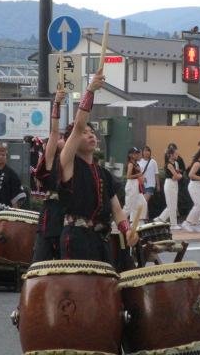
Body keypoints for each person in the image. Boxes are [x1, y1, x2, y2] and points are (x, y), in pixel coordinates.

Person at [58, 70, 138, 262]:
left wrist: (127, 231)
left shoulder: (103, 174)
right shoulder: (68, 163)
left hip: (100, 239)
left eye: (92, 132)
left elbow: (117, 210)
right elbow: (77, 126)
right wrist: (90, 91)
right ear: (74, 141)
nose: (91, 135)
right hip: (75, 238)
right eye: (85, 133)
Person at [31, 88, 66, 262]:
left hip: (69, 219)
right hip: (51, 215)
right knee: (40, 264)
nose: (61, 139)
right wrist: (57, 103)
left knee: (66, 268)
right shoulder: (51, 161)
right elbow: (53, 133)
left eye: (65, 137)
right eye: (61, 137)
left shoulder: (79, 164)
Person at [181, 147, 200, 233]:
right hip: (194, 186)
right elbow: (191, 175)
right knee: (198, 205)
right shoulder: (197, 163)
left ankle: (195, 223)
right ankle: (187, 222)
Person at [155, 146, 182, 229]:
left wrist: (178, 175)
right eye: (175, 154)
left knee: (172, 204)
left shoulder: (175, 164)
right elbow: (176, 176)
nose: (177, 155)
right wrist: (179, 175)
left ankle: (160, 219)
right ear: (170, 155)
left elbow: (177, 175)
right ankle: (173, 224)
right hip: (170, 184)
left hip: (174, 184)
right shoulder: (169, 165)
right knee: (172, 205)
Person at [124, 147, 148, 224]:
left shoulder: (136, 164)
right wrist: (139, 175)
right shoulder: (130, 164)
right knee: (128, 207)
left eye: (138, 153)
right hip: (131, 185)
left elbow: (139, 175)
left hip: (136, 185)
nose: (138, 155)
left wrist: (142, 178)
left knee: (143, 203)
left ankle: (138, 223)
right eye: (135, 153)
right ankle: (116, 225)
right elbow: (128, 176)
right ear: (130, 155)